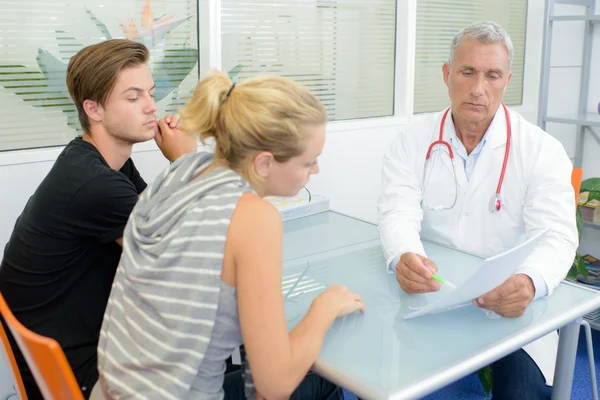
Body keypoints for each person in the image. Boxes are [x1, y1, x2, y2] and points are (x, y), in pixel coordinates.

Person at [94, 70, 365, 400]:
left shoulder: (183, 170)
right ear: (264, 164)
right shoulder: (254, 218)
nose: (316, 170)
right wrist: (324, 308)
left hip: (113, 388)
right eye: (309, 162)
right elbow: (274, 386)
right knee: (326, 380)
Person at [377, 21, 577, 399]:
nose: (478, 88)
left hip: (510, 305)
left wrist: (530, 281)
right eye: (467, 71)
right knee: (383, 379)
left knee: (522, 393)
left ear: (507, 80)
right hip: (433, 292)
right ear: (447, 73)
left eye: (492, 75)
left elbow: (559, 237)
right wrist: (404, 254)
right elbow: (396, 212)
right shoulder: (411, 142)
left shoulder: (541, 150)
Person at [0, 39, 197, 399]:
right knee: (299, 380)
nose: (152, 107)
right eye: (133, 97)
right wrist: (184, 163)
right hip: (87, 378)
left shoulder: (98, 162)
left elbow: (161, 226)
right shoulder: (93, 183)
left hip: (80, 354)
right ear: (94, 108)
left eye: (151, 94)